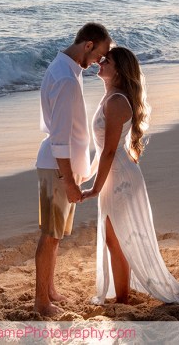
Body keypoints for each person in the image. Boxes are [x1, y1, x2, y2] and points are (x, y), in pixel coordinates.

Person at [81, 47, 179, 305]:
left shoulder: (117, 102)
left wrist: (95, 188)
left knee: (116, 238)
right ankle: (122, 295)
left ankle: (122, 298)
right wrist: (85, 176)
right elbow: (102, 151)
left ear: (118, 70)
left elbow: (108, 152)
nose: (100, 62)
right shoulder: (110, 97)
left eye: (107, 60)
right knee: (114, 238)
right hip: (114, 174)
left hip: (120, 178)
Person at [34, 22, 112, 316]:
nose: (98, 63)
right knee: (50, 234)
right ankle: (41, 302)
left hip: (61, 167)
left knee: (55, 234)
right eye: (99, 54)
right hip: (57, 168)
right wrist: (68, 181)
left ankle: (50, 291)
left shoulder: (65, 69)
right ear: (88, 45)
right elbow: (60, 139)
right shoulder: (66, 78)